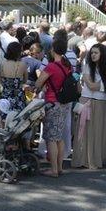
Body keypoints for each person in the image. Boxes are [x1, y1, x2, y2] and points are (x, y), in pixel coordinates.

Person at [35, 38, 73, 178]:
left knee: (51, 137)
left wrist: (41, 86)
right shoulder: (67, 65)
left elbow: (38, 83)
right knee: (59, 137)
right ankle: (60, 167)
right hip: (64, 103)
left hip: (52, 103)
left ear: (52, 50)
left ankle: (54, 169)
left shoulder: (51, 66)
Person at [72, 44, 106, 169]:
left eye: (96, 53)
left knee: (97, 131)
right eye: (92, 53)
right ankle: (82, 159)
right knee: (83, 131)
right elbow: (91, 86)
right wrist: (98, 84)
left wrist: (96, 84)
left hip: (101, 103)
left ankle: (95, 159)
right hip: (86, 101)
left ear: (102, 54)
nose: (93, 55)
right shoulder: (87, 66)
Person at [0, 42, 27, 115]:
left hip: (5, 95)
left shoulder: (2, 63)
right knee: (17, 120)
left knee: (4, 116)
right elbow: (25, 80)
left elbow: (0, 79)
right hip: (18, 96)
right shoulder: (23, 64)